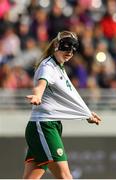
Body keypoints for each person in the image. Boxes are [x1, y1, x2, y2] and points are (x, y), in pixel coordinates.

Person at [23, 30, 101, 179]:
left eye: (74, 48)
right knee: (65, 177)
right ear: (57, 46)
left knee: (30, 178)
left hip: (48, 125)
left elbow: (68, 94)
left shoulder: (59, 67)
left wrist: (87, 114)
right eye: (66, 47)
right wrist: (37, 95)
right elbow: (41, 85)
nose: (70, 52)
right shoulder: (48, 67)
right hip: (44, 126)